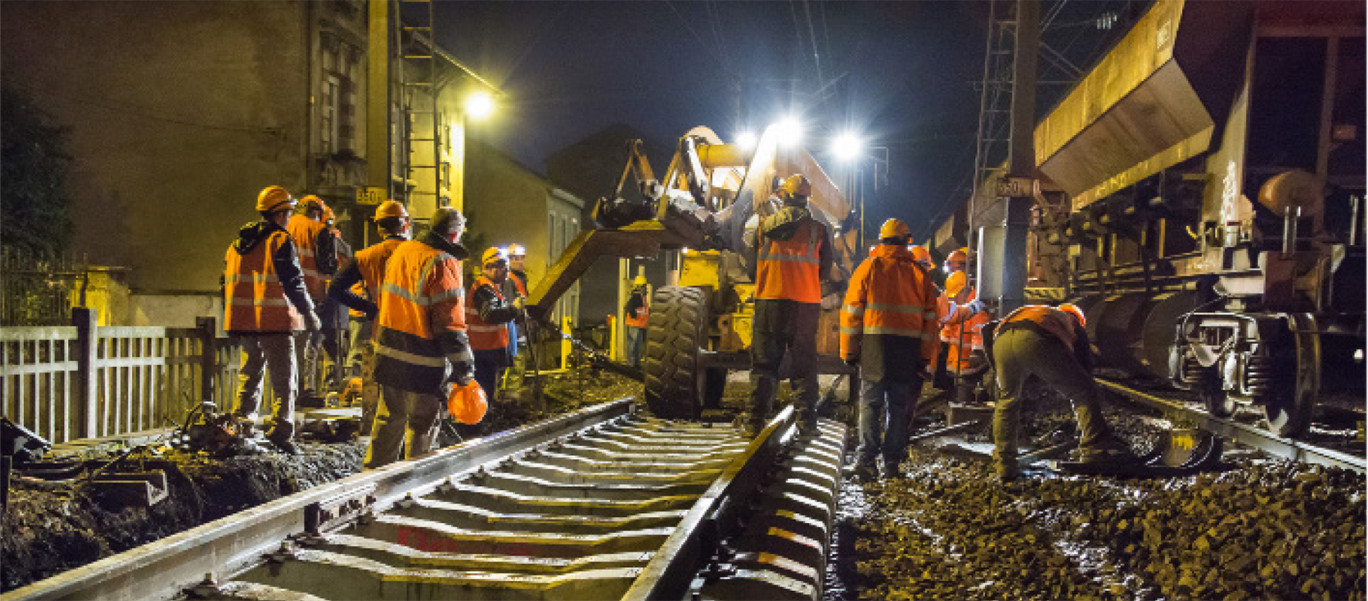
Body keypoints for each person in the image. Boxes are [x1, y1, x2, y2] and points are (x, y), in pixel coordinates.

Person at [365, 207, 474, 469]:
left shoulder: (403, 252)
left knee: (388, 420)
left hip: (389, 353)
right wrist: (465, 368)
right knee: (421, 426)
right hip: (423, 361)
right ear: (454, 234)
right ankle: (412, 486)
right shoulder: (444, 262)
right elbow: (449, 324)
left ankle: (372, 482)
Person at [222, 185, 321, 455]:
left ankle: (242, 426)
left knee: (249, 375)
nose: (289, 217)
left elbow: (227, 284)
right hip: (274, 321)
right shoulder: (279, 240)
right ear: (279, 213)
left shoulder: (237, 244)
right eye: (288, 212)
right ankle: (281, 430)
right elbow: (293, 282)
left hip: (245, 321)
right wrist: (309, 312)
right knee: (284, 378)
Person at [985, 303, 1135, 481]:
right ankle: (1095, 447)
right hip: (1032, 337)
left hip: (1000, 341)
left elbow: (994, 336)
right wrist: (1086, 385)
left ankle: (1004, 464)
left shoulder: (1036, 311)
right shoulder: (1070, 320)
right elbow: (1083, 363)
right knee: (1083, 391)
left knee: (1008, 400)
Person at [840, 219, 940, 480]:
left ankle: (866, 461)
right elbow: (931, 322)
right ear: (908, 241)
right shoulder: (920, 274)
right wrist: (924, 357)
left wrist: (849, 351)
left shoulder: (868, 267)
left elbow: (851, 313)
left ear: (881, 240)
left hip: (874, 346)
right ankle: (892, 464)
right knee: (898, 406)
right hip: (906, 350)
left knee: (870, 404)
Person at [743, 174, 832, 437]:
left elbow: (751, 267)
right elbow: (825, 270)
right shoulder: (818, 230)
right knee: (804, 365)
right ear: (806, 199)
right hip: (805, 305)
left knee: (764, 365)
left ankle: (753, 422)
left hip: (770, 300)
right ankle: (807, 424)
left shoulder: (762, 226)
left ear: (783, 196)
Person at [328, 199, 410, 435]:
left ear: (379, 228)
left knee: (388, 399)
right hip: (418, 335)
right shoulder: (419, 253)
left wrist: (368, 307)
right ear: (405, 225)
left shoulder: (367, 256)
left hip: (383, 332)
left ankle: (382, 445)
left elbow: (335, 288)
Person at [287, 196, 337, 401]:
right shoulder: (318, 230)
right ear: (317, 212)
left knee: (288, 346)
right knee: (310, 343)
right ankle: (305, 390)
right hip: (312, 293)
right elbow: (328, 266)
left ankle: (291, 392)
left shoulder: (285, 226)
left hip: (285, 294)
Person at [467, 247, 521, 402]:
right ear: (491, 268)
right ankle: (477, 425)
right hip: (483, 352)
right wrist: (514, 309)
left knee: (486, 393)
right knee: (483, 394)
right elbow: (490, 315)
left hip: (487, 351)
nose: (507, 273)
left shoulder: (491, 289)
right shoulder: (484, 288)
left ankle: (481, 422)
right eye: (504, 269)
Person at [938, 272, 991, 405]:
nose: (954, 299)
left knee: (964, 391)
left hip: (970, 364)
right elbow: (948, 329)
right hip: (958, 361)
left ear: (964, 291)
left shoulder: (978, 310)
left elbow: (979, 336)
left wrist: (977, 353)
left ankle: (963, 410)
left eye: (955, 295)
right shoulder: (959, 308)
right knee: (955, 391)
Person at [501, 243, 529, 387]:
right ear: (509, 260)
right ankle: (510, 401)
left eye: (521, 258)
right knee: (515, 369)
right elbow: (511, 308)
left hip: (520, 331)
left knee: (517, 369)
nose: (520, 261)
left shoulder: (520, 278)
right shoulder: (509, 280)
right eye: (515, 258)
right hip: (515, 333)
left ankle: (510, 398)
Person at [623, 275, 650, 368]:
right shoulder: (636, 297)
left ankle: (636, 363)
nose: (645, 288)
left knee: (637, 345)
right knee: (633, 344)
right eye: (644, 286)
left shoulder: (642, 298)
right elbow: (629, 308)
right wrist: (635, 316)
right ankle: (631, 363)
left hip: (640, 324)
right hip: (635, 324)